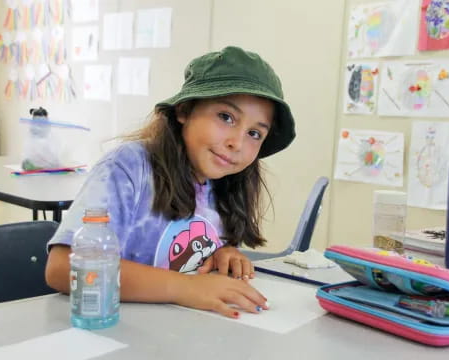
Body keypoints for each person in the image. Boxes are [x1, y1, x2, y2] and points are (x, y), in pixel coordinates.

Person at [45, 46, 296, 319]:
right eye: (225, 117)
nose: (237, 143)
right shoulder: (129, 167)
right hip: (115, 332)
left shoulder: (224, 184)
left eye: (254, 133)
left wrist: (223, 252)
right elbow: (61, 269)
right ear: (184, 110)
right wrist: (186, 287)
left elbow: (191, 248)